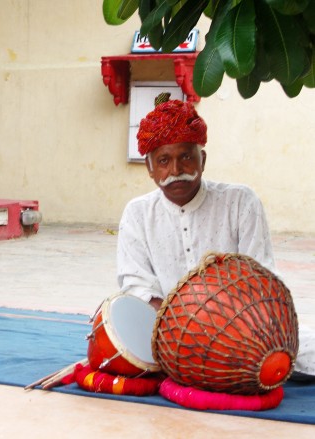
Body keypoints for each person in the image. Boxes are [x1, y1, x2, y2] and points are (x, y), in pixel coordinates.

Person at [117, 96, 314, 378]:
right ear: (150, 168)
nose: (176, 171)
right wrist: (185, 329)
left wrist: (229, 331)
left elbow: (263, 277)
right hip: (173, 337)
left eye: (186, 156)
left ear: (203, 159)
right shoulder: (137, 214)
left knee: (305, 352)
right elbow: (137, 286)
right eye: (163, 161)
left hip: (246, 333)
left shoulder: (240, 202)